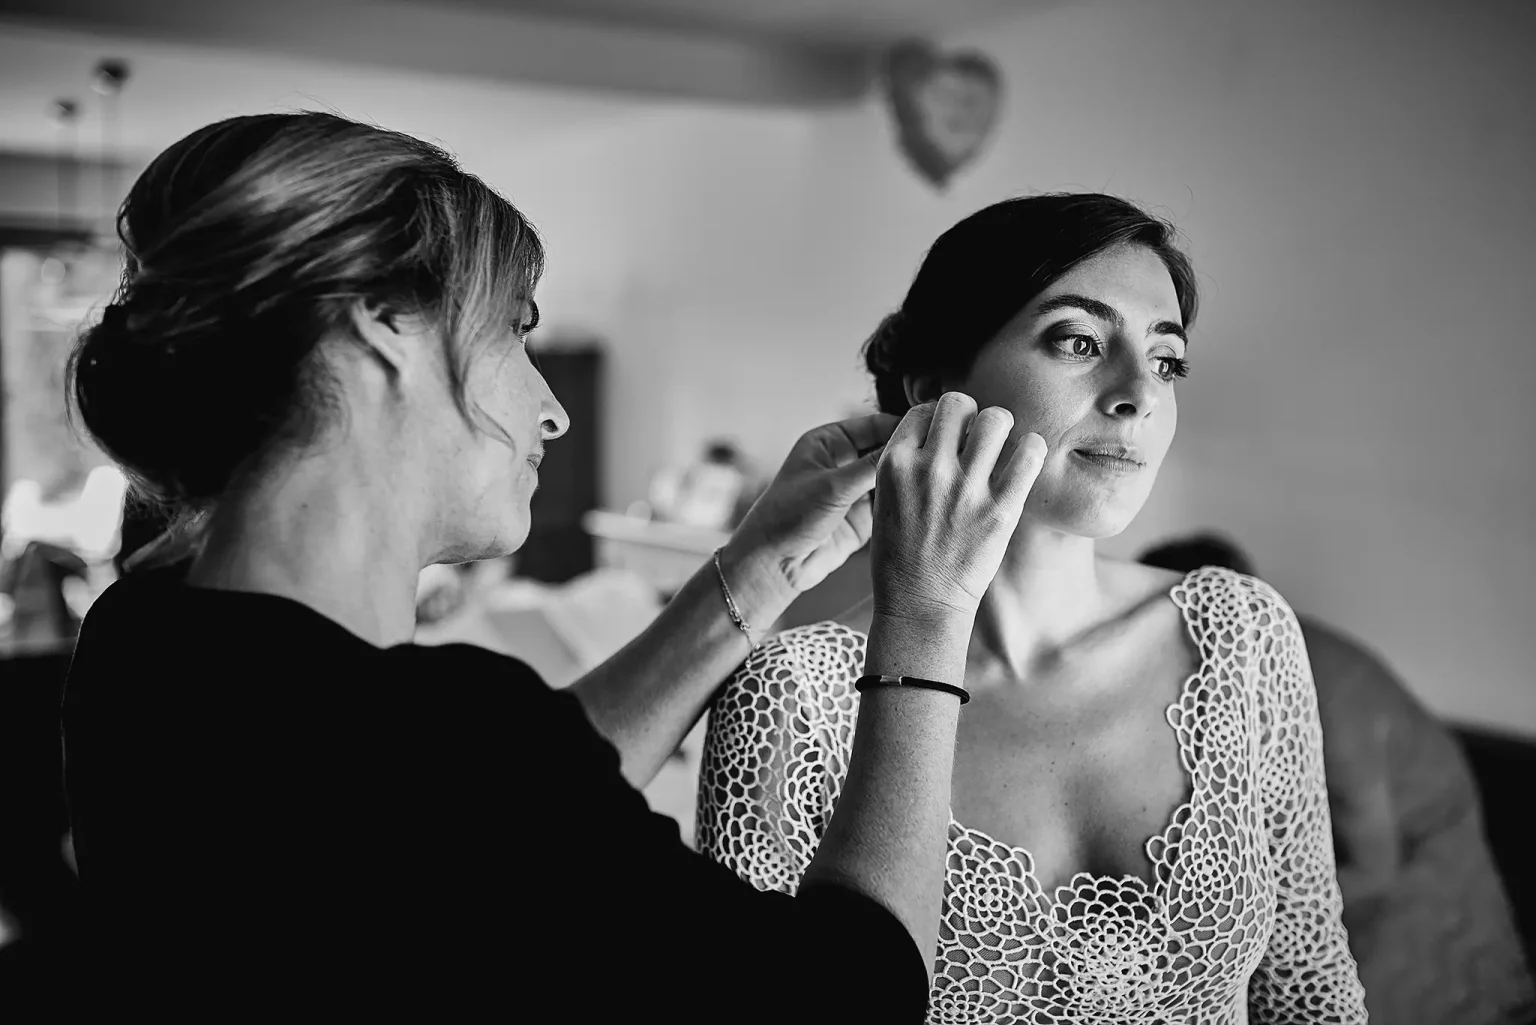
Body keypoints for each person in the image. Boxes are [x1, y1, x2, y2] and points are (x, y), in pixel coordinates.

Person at [56, 112, 1050, 1020]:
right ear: (383, 322)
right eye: (516, 328)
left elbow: (505, 836)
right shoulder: (442, 744)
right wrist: (926, 611)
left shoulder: (143, 633)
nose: (553, 406)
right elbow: (857, 991)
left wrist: (760, 566)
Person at [695, 194, 1369, 1023]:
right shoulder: (792, 699)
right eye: (1078, 342)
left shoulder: (1240, 634)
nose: (1138, 396)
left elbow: (1311, 989)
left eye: (1167, 361)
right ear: (937, 386)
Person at [1139, 532, 1536, 1025]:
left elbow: (1374, 867)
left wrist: (1228, 927)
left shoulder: (1327, 693)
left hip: (1411, 839)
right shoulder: (1195, 679)